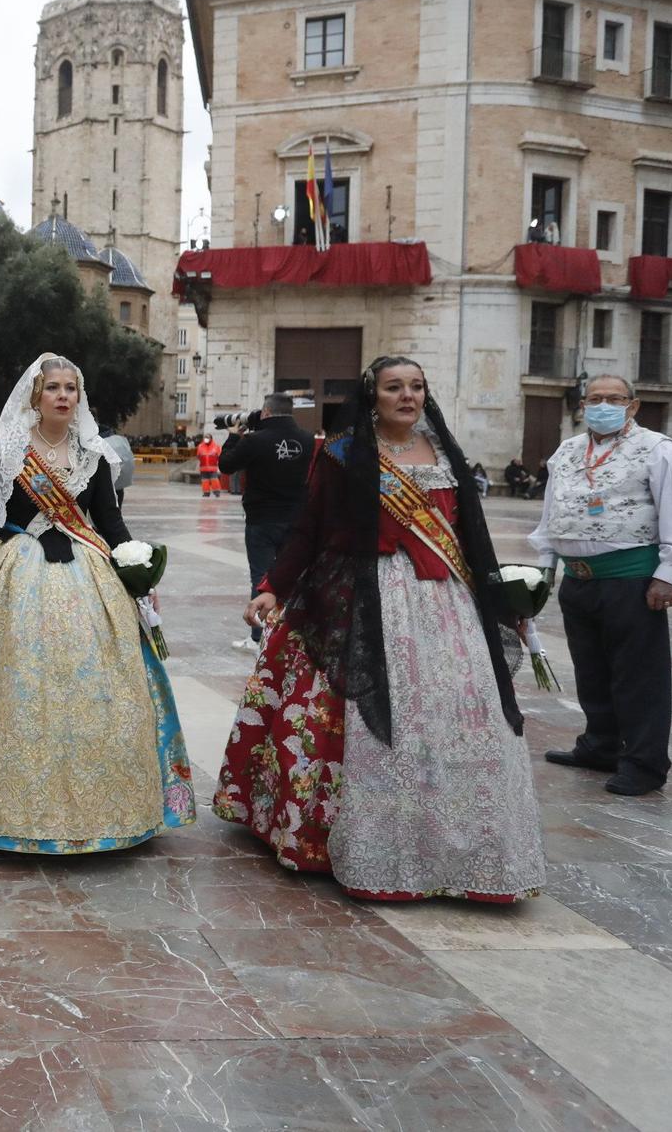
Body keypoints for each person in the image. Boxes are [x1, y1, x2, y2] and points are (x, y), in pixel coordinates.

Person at [215, 355, 545, 902]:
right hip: (368, 595)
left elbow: (472, 531)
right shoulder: (343, 452)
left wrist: (500, 597)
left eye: (417, 386)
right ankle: (363, 840)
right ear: (374, 395)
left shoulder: (445, 452)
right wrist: (273, 583)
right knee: (374, 719)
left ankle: (468, 847)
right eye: (395, 387)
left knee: (465, 716)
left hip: (447, 602)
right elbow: (310, 526)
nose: (407, 396)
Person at [0, 354, 194, 853]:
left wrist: (135, 569)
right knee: (11, 684)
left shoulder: (95, 455)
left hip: (87, 578)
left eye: (71, 388)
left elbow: (110, 525)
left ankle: (100, 807)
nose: (63, 396)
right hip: (14, 574)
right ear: (36, 396)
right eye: (54, 388)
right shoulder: (9, 451)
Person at [529, 374, 672, 796]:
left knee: (638, 676)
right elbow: (551, 512)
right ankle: (600, 745)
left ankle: (644, 764)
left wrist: (670, 574)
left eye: (614, 398)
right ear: (582, 404)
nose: (603, 404)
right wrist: (546, 565)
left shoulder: (658, 450)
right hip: (579, 578)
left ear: (633, 405)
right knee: (591, 670)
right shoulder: (568, 451)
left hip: (631, 579)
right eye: (595, 398)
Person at [217, 394, 313, 648]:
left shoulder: (254, 440)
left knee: (261, 577)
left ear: (266, 412)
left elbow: (226, 465)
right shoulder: (308, 439)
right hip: (296, 520)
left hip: (261, 520)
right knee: (294, 576)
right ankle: (293, 635)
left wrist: (233, 437)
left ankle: (258, 638)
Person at [195, 432, 222, 496]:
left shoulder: (216, 446)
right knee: (205, 481)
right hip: (203, 467)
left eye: (208, 437)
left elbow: (219, 456)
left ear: (211, 439)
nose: (206, 439)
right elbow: (198, 456)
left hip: (213, 467)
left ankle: (217, 492)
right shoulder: (200, 446)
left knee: (214, 480)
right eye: (205, 437)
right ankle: (206, 492)